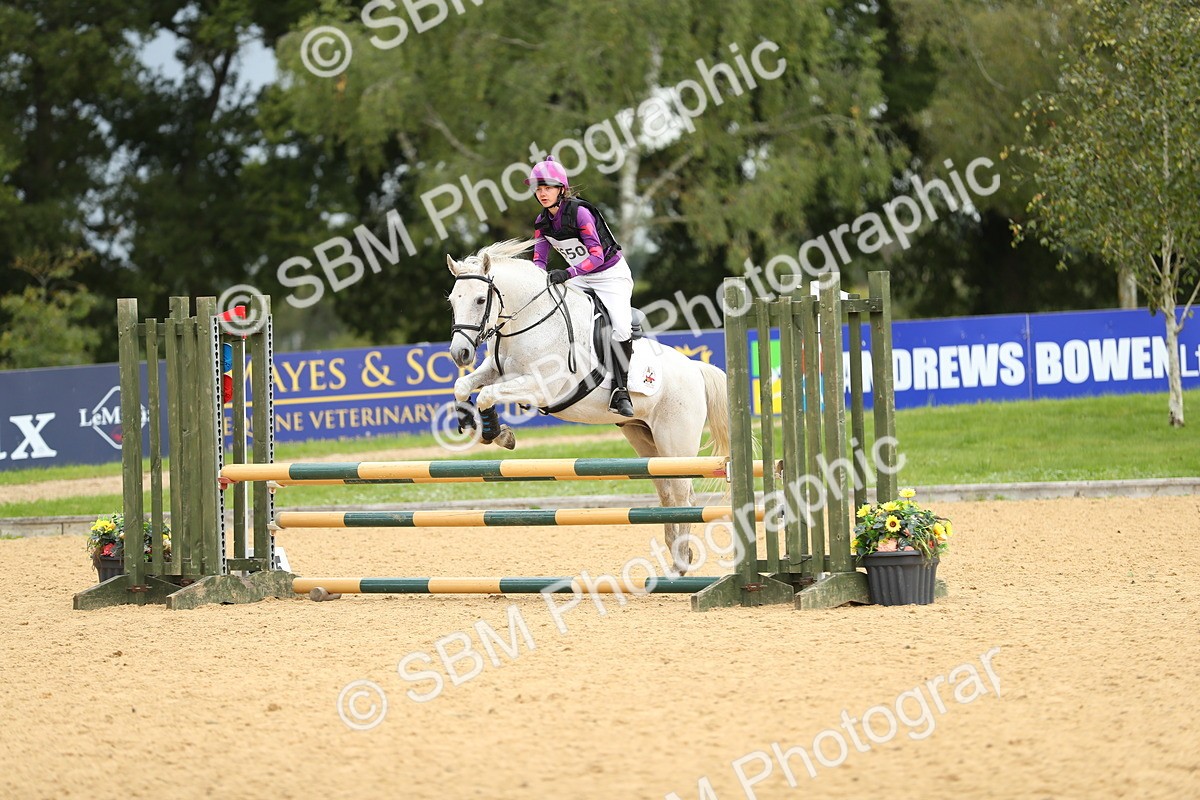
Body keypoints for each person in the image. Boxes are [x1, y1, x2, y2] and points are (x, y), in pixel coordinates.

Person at [525, 156, 636, 417]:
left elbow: (597, 256)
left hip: (610, 275)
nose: (542, 193)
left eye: (548, 188)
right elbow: (539, 261)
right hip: (578, 276)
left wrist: (567, 272)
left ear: (561, 189)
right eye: (539, 189)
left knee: (620, 326)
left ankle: (621, 389)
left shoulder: (580, 212)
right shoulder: (542, 222)